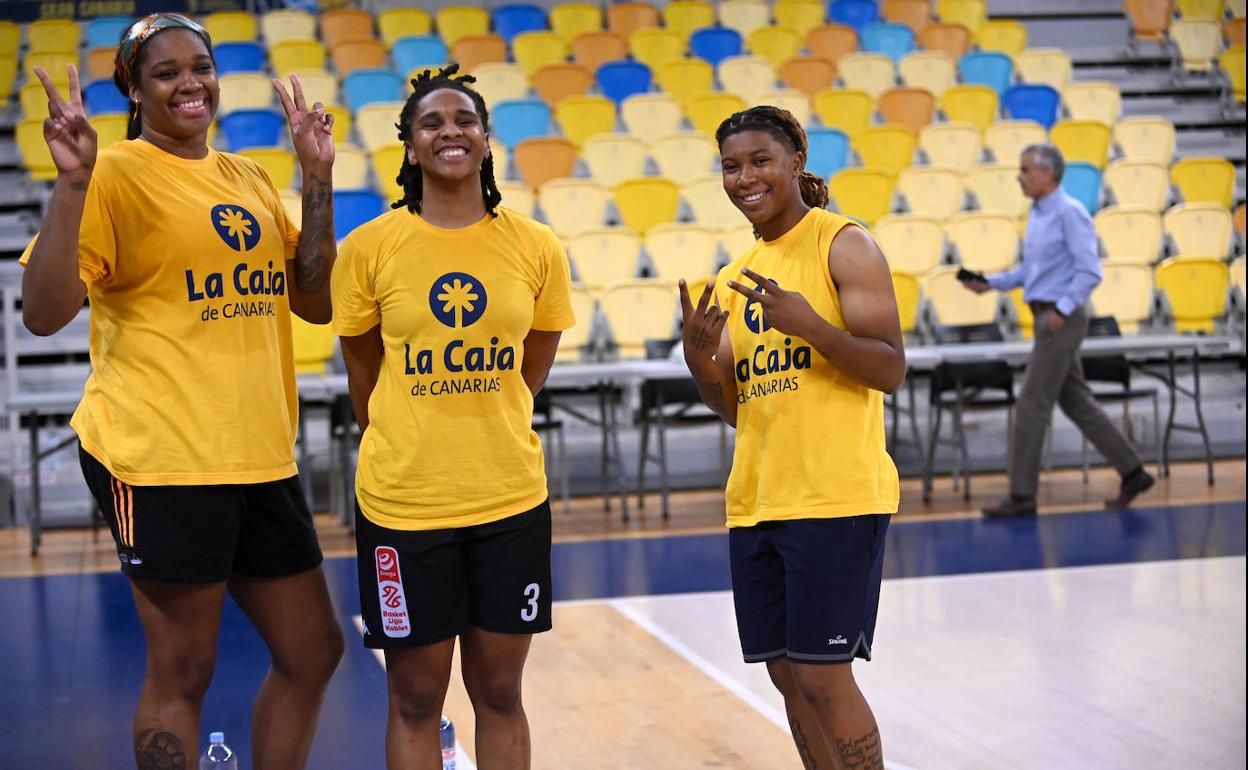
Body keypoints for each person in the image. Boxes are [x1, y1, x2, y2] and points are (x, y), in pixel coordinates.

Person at [21, 14, 343, 770]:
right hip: (161, 456)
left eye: (200, 65)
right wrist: (72, 182)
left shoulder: (248, 177)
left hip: (258, 454)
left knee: (314, 651)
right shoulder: (113, 175)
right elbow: (41, 312)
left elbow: (317, 300)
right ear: (133, 88)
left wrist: (317, 175)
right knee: (184, 670)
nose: (190, 82)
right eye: (165, 72)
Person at [331, 65, 574, 770]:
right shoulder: (371, 247)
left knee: (500, 693)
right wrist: (413, 431)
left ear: (487, 139)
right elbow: (362, 371)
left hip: (510, 499)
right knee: (414, 699)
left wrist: (485, 419)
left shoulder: (535, 246)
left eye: (464, 120)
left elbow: (535, 361)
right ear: (409, 146)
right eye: (431, 123)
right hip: (405, 504)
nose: (450, 133)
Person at [679, 105, 903, 770]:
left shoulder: (843, 243)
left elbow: (889, 367)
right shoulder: (735, 275)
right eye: (731, 165)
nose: (744, 176)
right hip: (758, 500)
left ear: (796, 161)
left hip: (833, 498)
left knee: (824, 676)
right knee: (786, 675)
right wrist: (700, 368)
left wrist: (812, 327)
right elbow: (740, 410)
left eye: (759, 160)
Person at [959, 143, 1155, 517]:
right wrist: (991, 283)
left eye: (1026, 169)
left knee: (1031, 404)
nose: (1019, 176)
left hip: (1059, 319)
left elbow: (1090, 270)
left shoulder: (1069, 213)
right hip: (1048, 316)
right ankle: (1133, 471)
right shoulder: (1039, 214)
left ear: (1048, 174)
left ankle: (1021, 495)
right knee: (1077, 401)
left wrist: (1061, 312)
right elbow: (1032, 272)